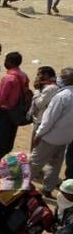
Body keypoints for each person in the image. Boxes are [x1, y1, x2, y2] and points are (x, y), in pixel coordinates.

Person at [31, 68, 73, 196]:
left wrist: (39, 134)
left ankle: (22, 185)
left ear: (65, 80)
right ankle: (48, 189)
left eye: (61, 77)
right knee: (55, 165)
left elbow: (49, 119)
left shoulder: (62, 96)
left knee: (34, 162)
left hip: (49, 137)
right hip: (66, 138)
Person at [0, 52, 31, 160]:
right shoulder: (23, 75)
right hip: (17, 109)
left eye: (6, 60)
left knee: (0, 134)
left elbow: (1, 96)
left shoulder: (9, 78)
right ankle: (6, 153)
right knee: (11, 133)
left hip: (6, 110)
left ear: (10, 62)